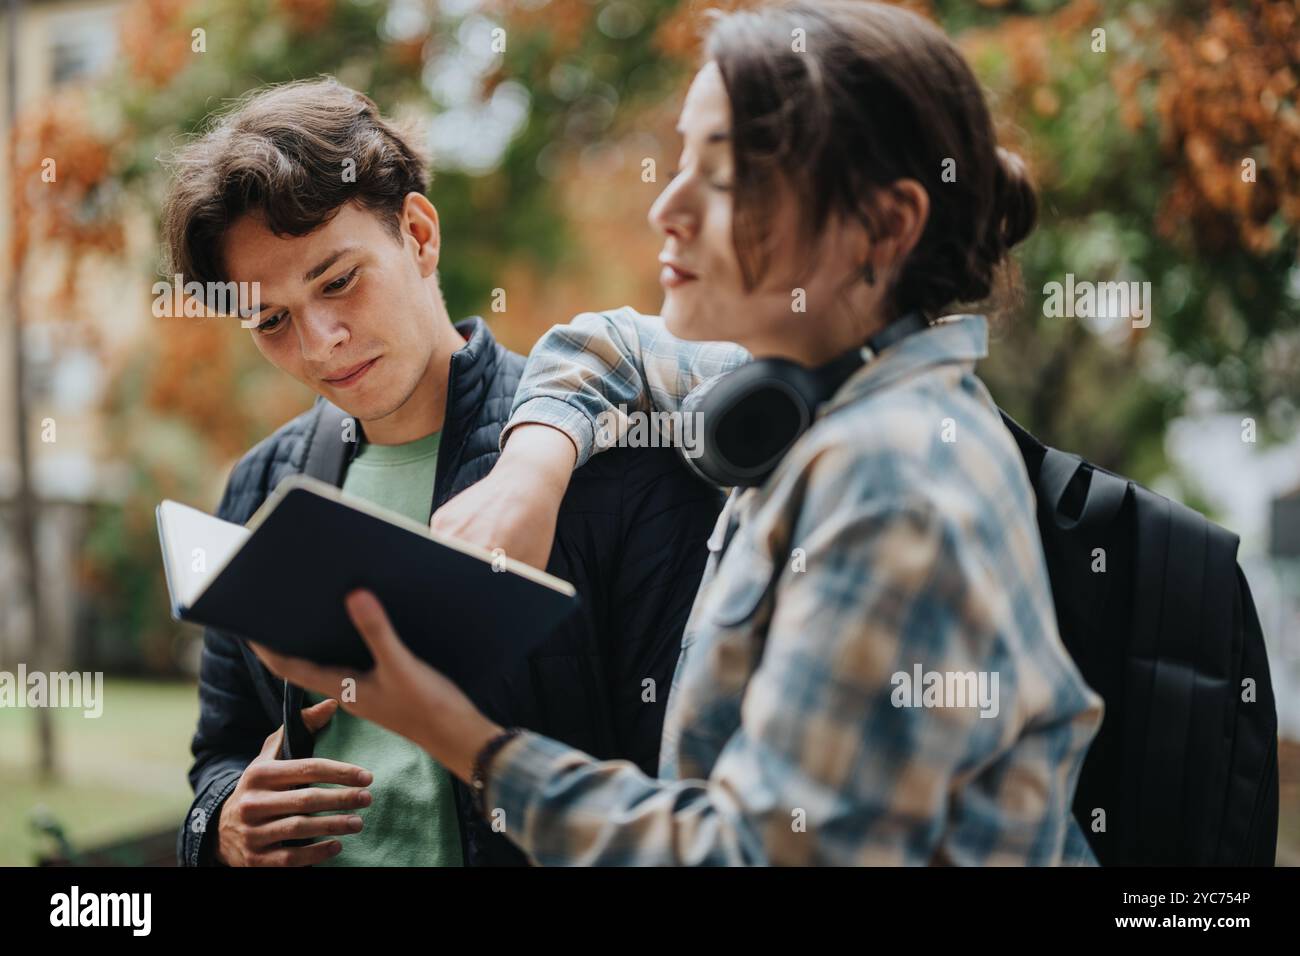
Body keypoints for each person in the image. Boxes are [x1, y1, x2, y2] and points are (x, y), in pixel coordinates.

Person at [254, 0, 1104, 865]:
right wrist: (528, 474)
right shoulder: (801, 391)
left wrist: (458, 734)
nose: (667, 205)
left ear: (883, 228)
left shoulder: (893, 483)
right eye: (682, 157)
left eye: (726, 177)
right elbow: (610, 346)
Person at [164, 78, 722, 867]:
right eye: (271, 320)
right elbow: (218, 752)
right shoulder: (259, 486)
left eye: (338, 280)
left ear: (419, 235)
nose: (320, 342)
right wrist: (222, 826)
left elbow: (684, 800)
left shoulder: (616, 466)